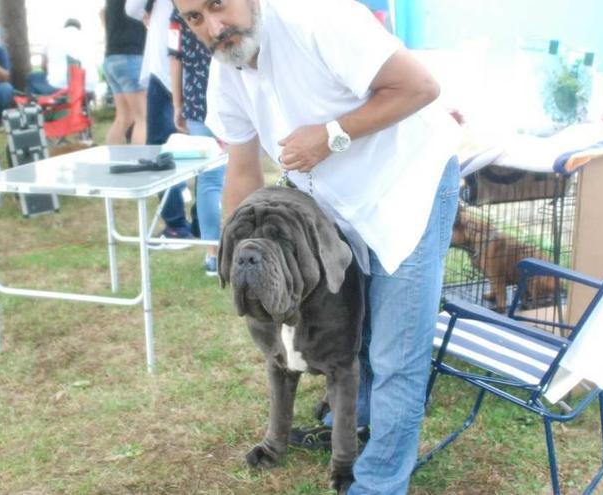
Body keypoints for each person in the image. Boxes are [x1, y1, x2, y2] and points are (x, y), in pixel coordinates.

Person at [172, 0, 460, 493]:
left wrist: (332, 136)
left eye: (217, 5)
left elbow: (421, 87)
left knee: (396, 351)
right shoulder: (229, 73)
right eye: (195, 18)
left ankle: (378, 482)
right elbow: (242, 174)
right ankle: (356, 423)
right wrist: (235, 261)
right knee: (357, 333)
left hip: (409, 185)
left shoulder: (317, 17)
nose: (213, 27)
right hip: (333, 205)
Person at [124, 0, 193, 241]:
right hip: (198, 68)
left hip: (166, 71)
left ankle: (176, 226)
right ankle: (204, 227)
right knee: (208, 153)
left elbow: (131, 9)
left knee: (160, 152)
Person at [169, 6, 224, 275]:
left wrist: (176, 103)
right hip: (231, 97)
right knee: (242, 170)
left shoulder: (177, 11)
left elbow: (174, 56)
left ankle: (212, 253)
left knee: (209, 180)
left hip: (197, 100)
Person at [102, 0, 148, 144]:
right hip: (131, 55)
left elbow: (102, 13)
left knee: (124, 117)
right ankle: (141, 165)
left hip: (111, 57)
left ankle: (111, 161)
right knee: (142, 118)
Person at [28, 19, 99, 96]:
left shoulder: (52, 37)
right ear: (79, 28)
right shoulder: (89, 39)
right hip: (88, 88)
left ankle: (34, 105)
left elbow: (43, 66)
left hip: (59, 88)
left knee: (32, 77)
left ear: (65, 27)